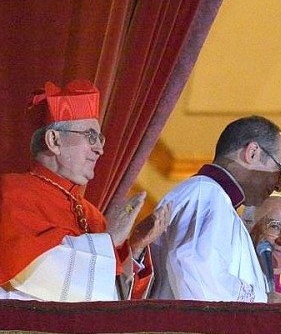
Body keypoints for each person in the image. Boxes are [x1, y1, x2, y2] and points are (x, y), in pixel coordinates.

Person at [0, 80, 168, 301]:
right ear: (54, 140)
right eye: (90, 137)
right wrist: (109, 239)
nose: (100, 149)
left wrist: (134, 247)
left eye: (100, 139)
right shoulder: (11, 193)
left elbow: (111, 301)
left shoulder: (93, 215)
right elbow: (35, 272)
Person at [149, 116, 281, 302]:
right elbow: (195, 269)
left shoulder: (218, 200)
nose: (279, 185)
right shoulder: (205, 192)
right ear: (253, 152)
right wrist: (263, 300)